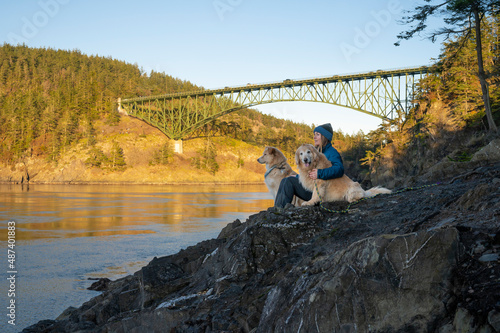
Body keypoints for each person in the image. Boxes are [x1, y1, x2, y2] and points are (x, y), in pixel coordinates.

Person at [274, 123, 344, 208]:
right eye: (314, 134)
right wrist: (298, 177)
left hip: (323, 193)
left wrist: (320, 173)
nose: (314, 137)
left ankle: (279, 210)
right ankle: (277, 209)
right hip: (312, 188)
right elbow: (310, 172)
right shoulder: (316, 151)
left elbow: (339, 169)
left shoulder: (331, 152)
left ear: (324, 137)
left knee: (289, 182)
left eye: (317, 135)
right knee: (286, 180)